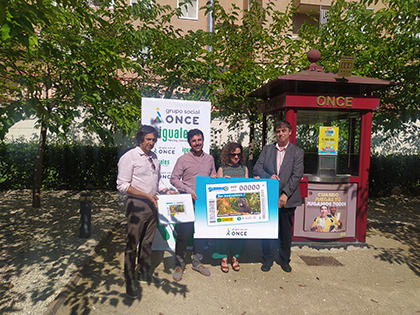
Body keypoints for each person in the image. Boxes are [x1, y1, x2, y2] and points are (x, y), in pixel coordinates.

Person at [117, 125, 177, 298]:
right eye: (148, 139)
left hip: (153, 204)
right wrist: (146, 195)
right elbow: (122, 185)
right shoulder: (129, 157)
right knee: (132, 245)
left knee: (147, 242)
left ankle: (143, 273)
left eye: (153, 140)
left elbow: (157, 181)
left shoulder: (154, 157)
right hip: (137, 205)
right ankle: (129, 280)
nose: (151, 142)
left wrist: (166, 191)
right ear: (140, 139)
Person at [253, 120, 304, 273]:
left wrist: (285, 194)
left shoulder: (297, 152)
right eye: (277, 131)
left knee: (285, 230)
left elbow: (297, 175)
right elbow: (257, 168)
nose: (280, 134)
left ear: (290, 132)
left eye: (283, 131)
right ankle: (267, 257)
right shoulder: (267, 150)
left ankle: (284, 259)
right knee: (267, 228)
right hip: (268, 196)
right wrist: (268, 176)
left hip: (288, 198)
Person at [170, 128, 216, 281]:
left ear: (203, 140)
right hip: (187, 201)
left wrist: (218, 178)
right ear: (189, 142)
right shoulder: (183, 159)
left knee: (201, 233)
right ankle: (179, 264)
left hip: (204, 203)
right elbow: (174, 179)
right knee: (183, 234)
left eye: (199, 140)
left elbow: (213, 176)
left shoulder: (210, 158)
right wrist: (188, 190)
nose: (197, 143)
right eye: (194, 140)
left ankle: (197, 262)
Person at [212, 142, 248, 272]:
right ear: (228, 154)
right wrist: (220, 181)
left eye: (238, 154)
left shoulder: (244, 169)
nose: (236, 157)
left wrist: (255, 181)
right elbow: (216, 191)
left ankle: (235, 256)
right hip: (225, 207)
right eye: (233, 154)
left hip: (239, 207)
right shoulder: (222, 169)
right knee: (223, 233)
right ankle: (223, 257)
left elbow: (247, 190)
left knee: (237, 234)